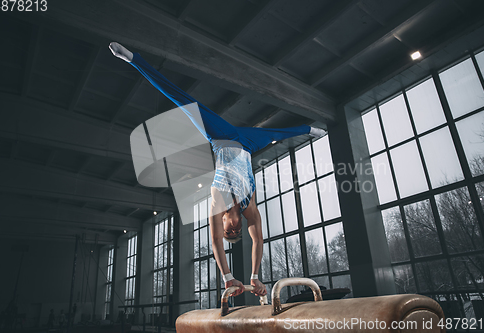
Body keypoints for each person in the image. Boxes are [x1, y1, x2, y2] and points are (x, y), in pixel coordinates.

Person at [109, 42, 326, 297]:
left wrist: (228, 277)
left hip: (220, 137)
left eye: (228, 232)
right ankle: (310, 130)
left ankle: (134, 59)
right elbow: (258, 241)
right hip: (247, 144)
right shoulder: (250, 208)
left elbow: (215, 243)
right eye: (236, 232)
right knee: (277, 133)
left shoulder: (216, 202)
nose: (232, 230)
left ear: (223, 222)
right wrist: (255, 277)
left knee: (183, 101)